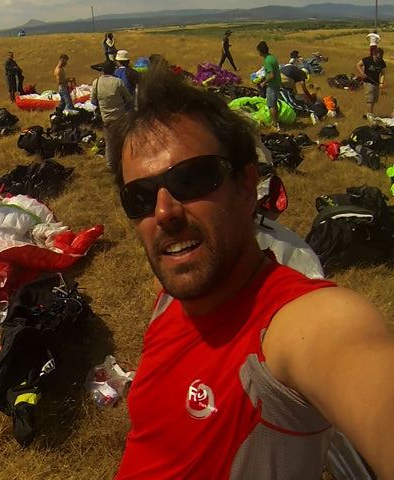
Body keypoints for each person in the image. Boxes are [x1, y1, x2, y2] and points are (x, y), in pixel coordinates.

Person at [108, 64, 394, 480]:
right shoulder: (173, 297)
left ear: (246, 186)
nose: (164, 211)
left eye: (193, 179)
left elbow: (355, 361)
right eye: (140, 197)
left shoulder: (296, 324)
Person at [90, 61, 132, 169]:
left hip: (107, 119)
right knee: (123, 142)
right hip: (120, 117)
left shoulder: (96, 82)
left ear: (103, 70)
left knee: (109, 144)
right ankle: (125, 163)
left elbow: (93, 101)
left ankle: (110, 165)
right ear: (114, 70)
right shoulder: (118, 82)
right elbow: (128, 98)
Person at [257, 41, 282, 131]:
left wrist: (264, 82)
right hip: (277, 83)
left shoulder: (267, 61)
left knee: (271, 105)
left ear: (260, 51)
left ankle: (275, 125)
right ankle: (276, 121)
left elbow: (271, 75)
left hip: (272, 85)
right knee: (274, 104)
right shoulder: (272, 57)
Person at [357, 47, 386, 117]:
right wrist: (362, 73)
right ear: (374, 55)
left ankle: (365, 114)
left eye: (380, 58)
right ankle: (371, 116)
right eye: (378, 58)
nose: (379, 59)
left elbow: (382, 73)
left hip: (376, 83)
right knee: (370, 99)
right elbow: (358, 64)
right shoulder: (367, 60)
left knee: (374, 100)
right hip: (368, 82)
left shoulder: (382, 62)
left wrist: (381, 83)